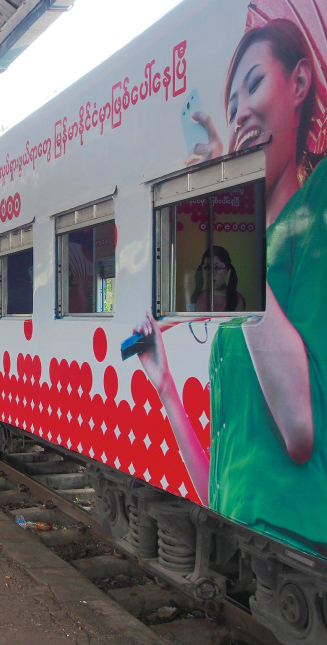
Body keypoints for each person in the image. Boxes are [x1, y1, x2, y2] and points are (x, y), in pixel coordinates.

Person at [135, 18, 326, 555]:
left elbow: (299, 432)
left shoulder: (317, 205)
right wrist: (165, 386)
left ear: (300, 81)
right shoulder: (254, 252)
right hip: (248, 549)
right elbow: (219, 491)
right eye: (231, 101)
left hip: (295, 549)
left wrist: (229, 209)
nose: (239, 112)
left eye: (254, 84)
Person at [186, 246, 246, 312]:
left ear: (227, 269)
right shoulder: (197, 298)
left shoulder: (237, 299)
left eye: (218, 268)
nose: (213, 273)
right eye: (207, 268)